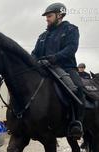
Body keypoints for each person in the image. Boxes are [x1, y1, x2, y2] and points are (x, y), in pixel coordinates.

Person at [32, 3, 85, 139]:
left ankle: (77, 123)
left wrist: (54, 58)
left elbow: (70, 49)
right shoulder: (42, 36)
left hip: (66, 68)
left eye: (49, 16)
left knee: (78, 88)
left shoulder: (71, 29)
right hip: (44, 68)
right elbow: (34, 54)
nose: (47, 19)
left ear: (59, 15)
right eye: (46, 17)